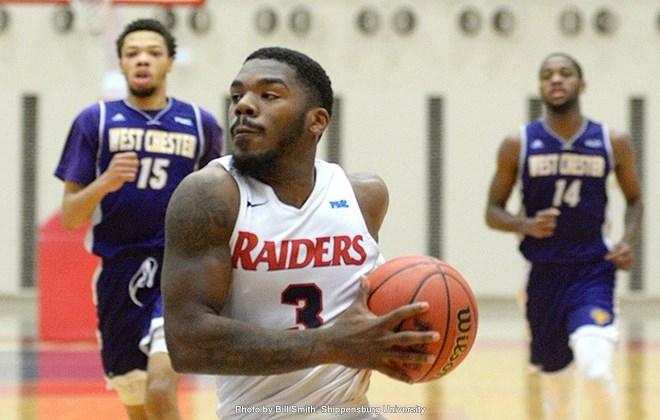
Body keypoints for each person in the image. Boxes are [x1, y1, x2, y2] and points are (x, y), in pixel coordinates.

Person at [161, 47, 439, 419]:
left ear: (316, 121)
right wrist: (330, 344)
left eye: (268, 95)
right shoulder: (210, 195)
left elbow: (371, 311)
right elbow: (187, 343)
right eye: (237, 95)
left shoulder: (364, 196)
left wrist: (409, 335)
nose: (244, 105)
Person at [54, 18, 223, 420]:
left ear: (170, 62)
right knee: (136, 402)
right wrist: (106, 182)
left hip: (178, 271)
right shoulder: (94, 121)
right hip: (119, 272)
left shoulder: (201, 125)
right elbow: (70, 216)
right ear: (121, 63)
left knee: (161, 387)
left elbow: (220, 201)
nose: (142, 60)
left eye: (153, 53)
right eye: (132, 53)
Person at [485, 52, 643, 420]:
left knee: (595, 371)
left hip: (593, 272)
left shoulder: (612, 141)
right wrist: (525, 224)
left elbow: (635, 200)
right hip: (543, 277)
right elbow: (492, 211)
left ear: (581, 84)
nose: (555, 79)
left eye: (565, 73)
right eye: (547, 75)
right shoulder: (518, 143)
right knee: (557, 395)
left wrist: (627, 241)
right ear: (540, 87)